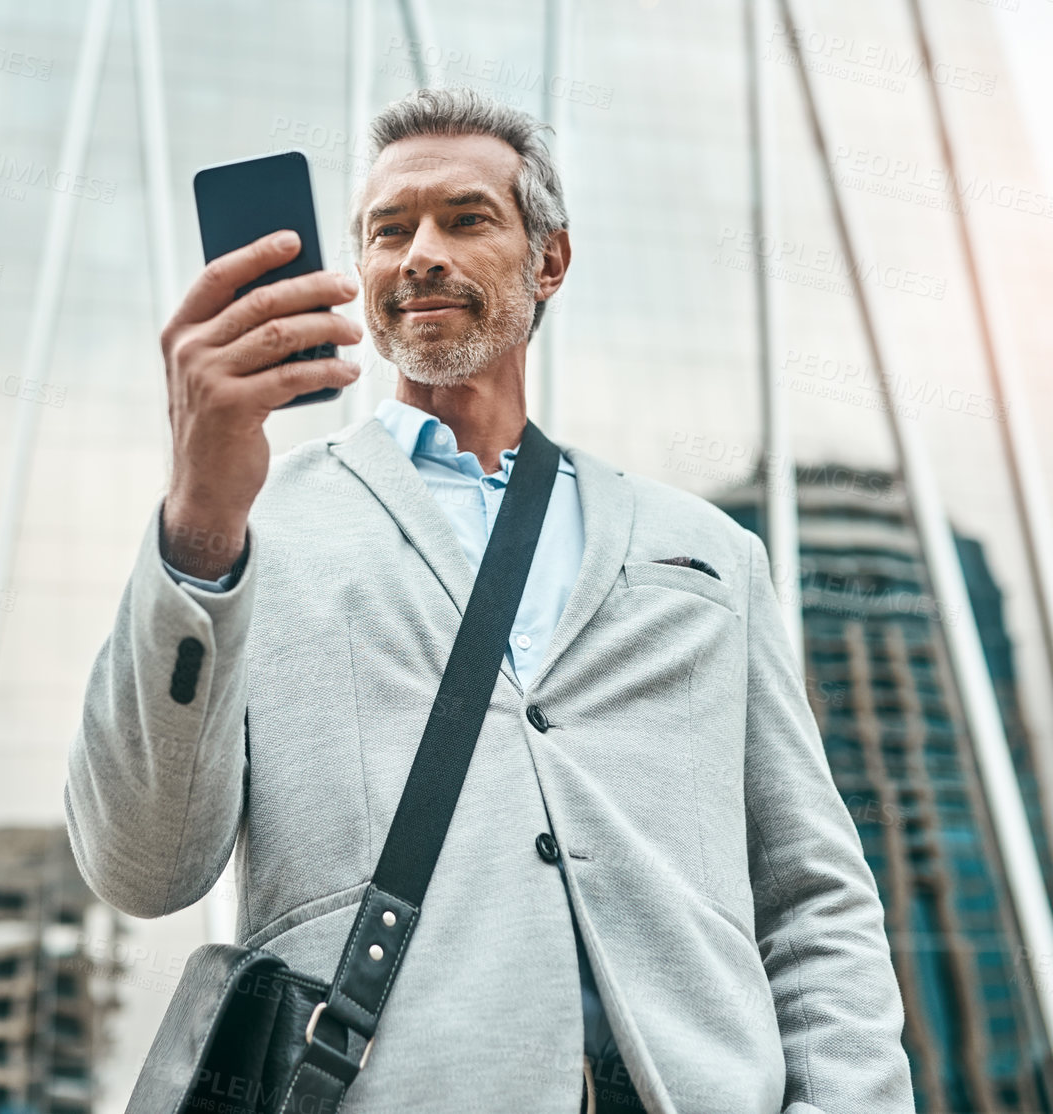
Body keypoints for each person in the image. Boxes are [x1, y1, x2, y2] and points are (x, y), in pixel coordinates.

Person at [65, 86, 915, 1113]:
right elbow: (142, 867)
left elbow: (813, 894)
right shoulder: (247, 532)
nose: (420, 252)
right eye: (389, 230)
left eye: (465, 219)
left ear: (547, 259)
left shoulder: (709, 553)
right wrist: (200, 513)